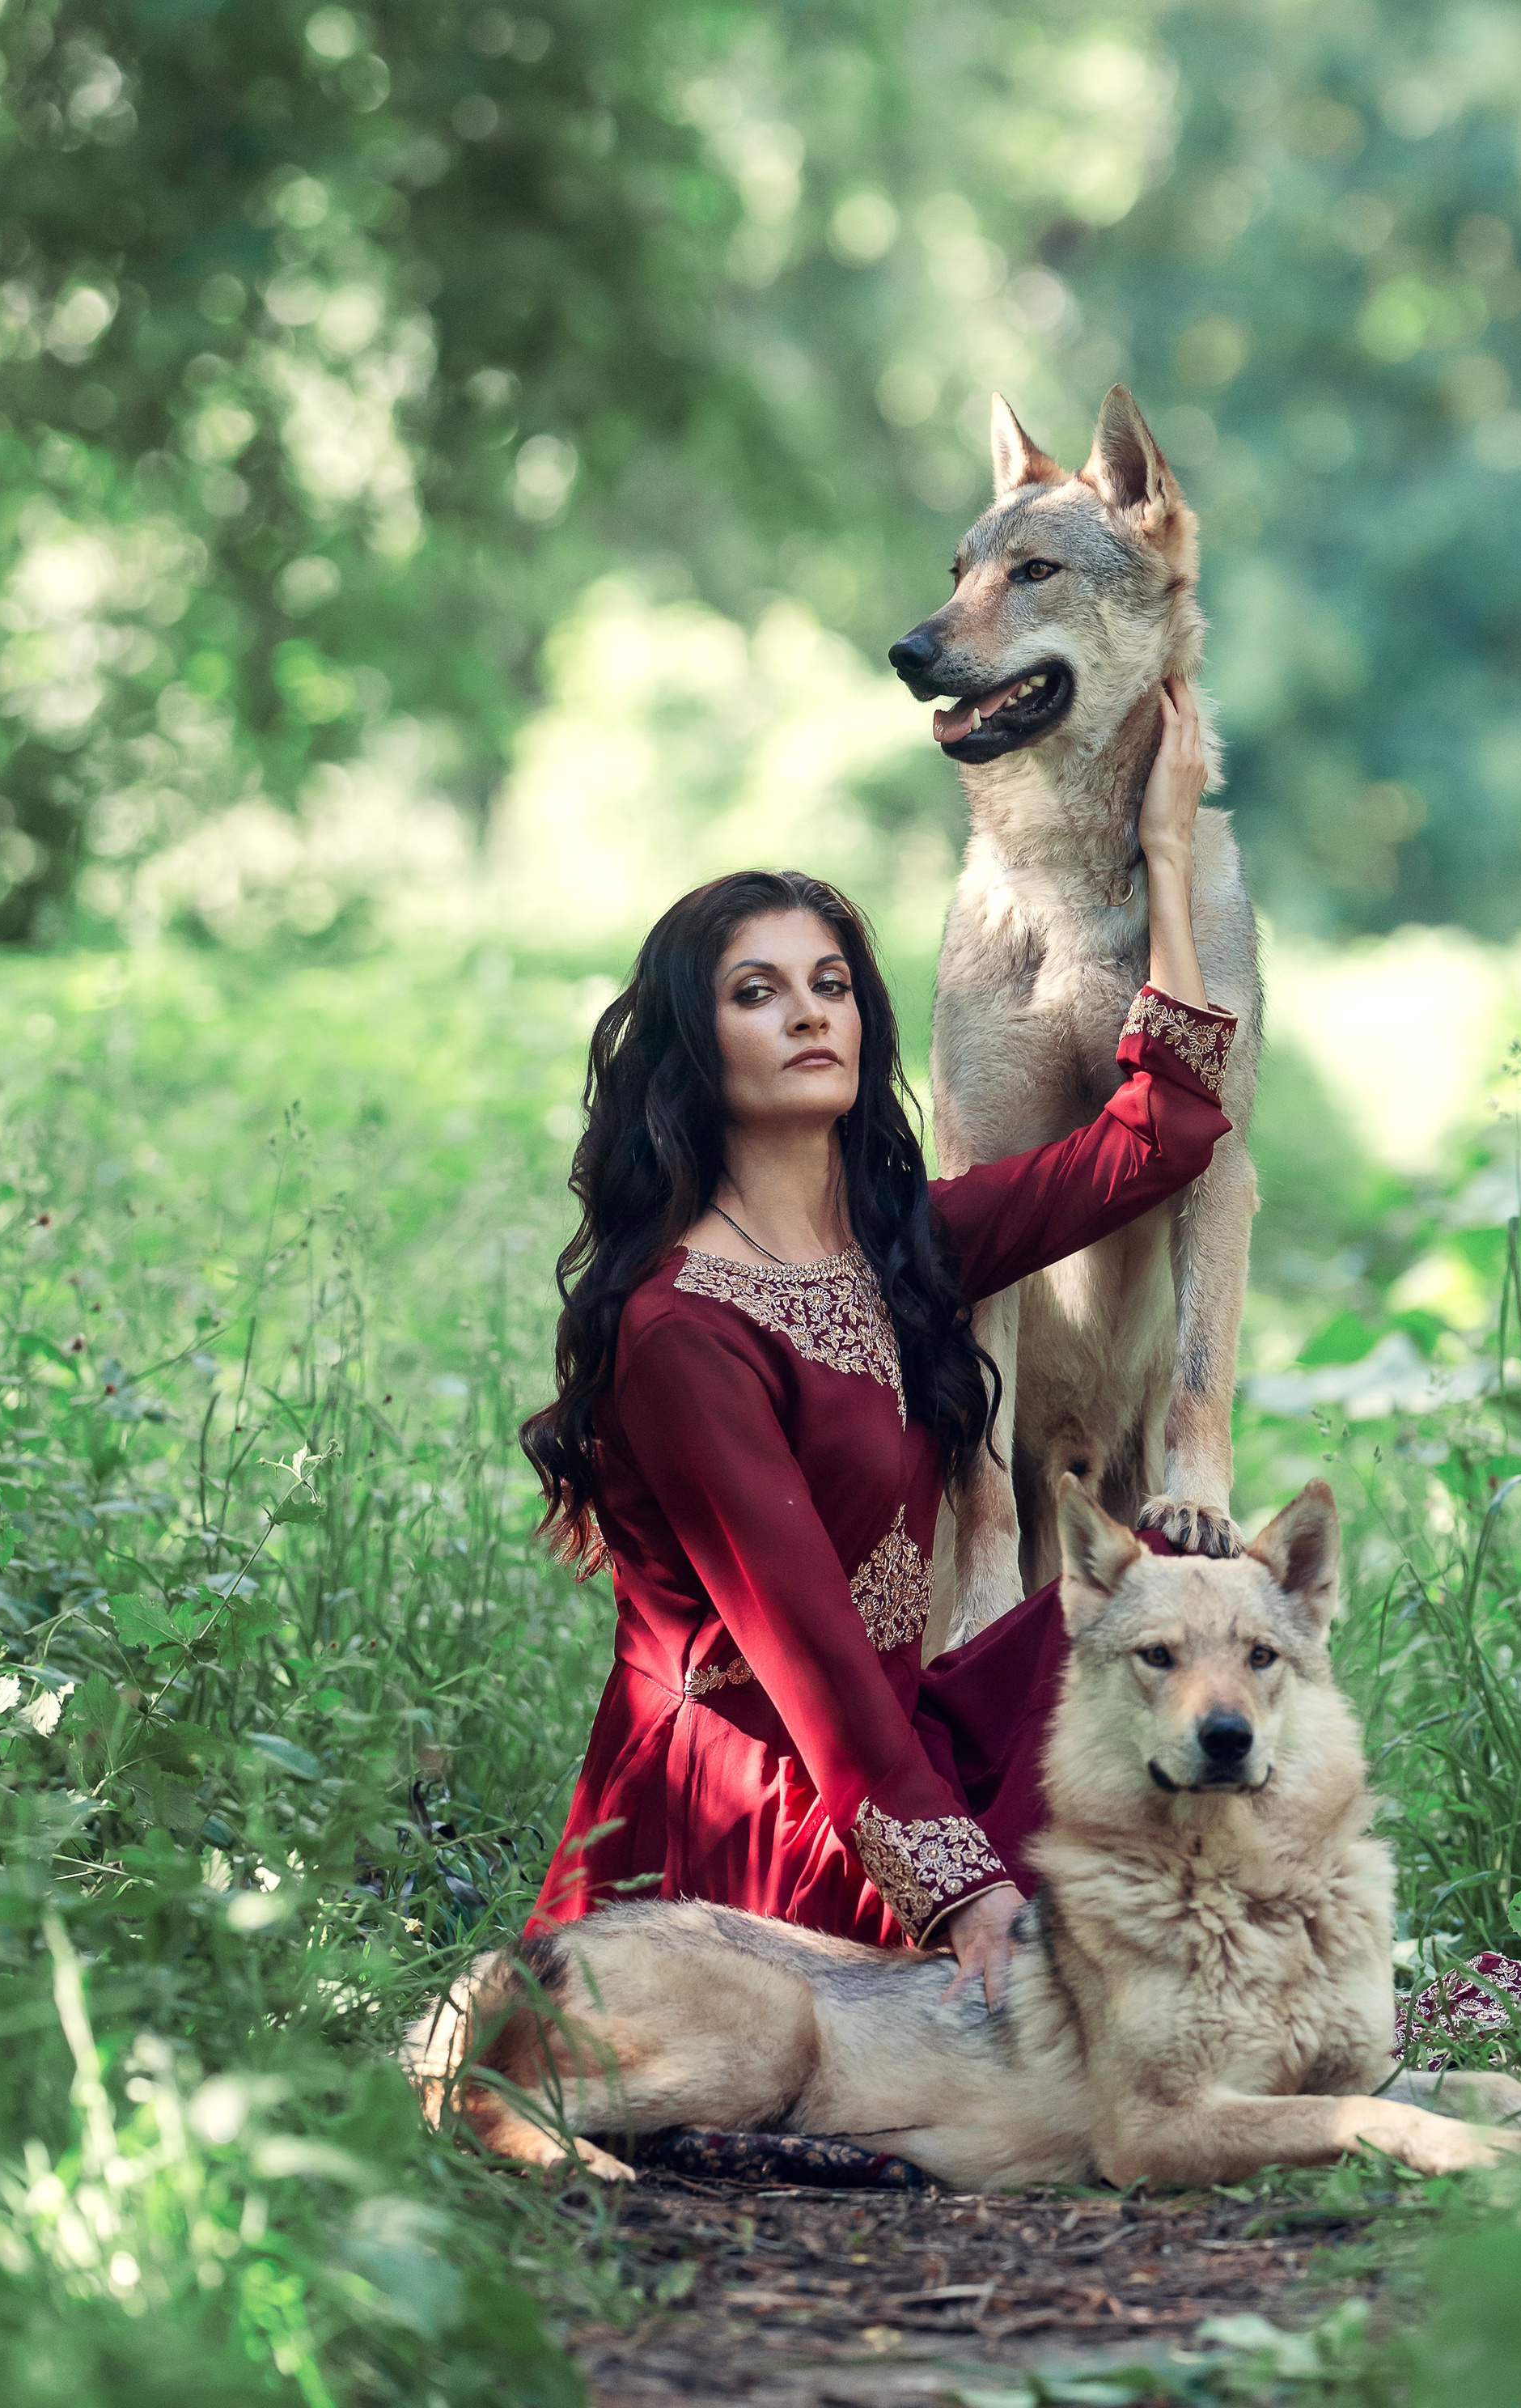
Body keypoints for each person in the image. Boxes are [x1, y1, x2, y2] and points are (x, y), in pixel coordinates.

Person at [519, 681, 1238, 2008]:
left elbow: (1166, 1136)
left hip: (896, 1756)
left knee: (1167, 1625)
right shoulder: (679, 1329)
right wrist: (964, 1894)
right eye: (759, 992)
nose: (809, 1015)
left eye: (832, 984)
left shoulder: (901, 1251)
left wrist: (1169, 856)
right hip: (751, 1815)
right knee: (1091, 1959)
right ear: (694, 1043)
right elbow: (813, 1659)